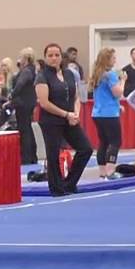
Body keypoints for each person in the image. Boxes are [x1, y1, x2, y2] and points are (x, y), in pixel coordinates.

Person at [35, 43, 93, 196]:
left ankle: (69, 183)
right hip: (51, 120)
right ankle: (56, 188)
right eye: (50, 55)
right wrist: (65, 114)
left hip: (69, 118)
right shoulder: (42, 77)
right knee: (53, 154)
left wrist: (75, 114)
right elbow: (44, 102)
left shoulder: (69, 74)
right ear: (46, 58)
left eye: (57, 55)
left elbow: (76, 96)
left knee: (85, 148)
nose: (54, 58)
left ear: (61, 57)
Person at [88, 47, 123, 179]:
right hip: (109, 114)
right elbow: (117, 93)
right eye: (113, 58)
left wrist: (118, 106)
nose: (115, 60)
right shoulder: (110, 75)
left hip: (98, 113)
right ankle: (110, 170)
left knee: (103, 142)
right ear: (107, 60)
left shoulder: (97, 74)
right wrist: (123, 81)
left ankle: (102, 171)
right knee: (115, 141)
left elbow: (103, 95)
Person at [10, 47, 39, 165]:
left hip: (23, 103)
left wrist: (12, 94)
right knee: (28, 129)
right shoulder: (33, 70)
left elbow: (20, 84)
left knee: (24, 130)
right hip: (29, 102)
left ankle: (26, 157)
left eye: (21, 57)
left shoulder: (26, 71)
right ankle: (32, 156)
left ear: (26, 58)